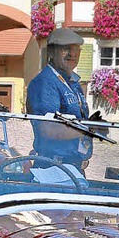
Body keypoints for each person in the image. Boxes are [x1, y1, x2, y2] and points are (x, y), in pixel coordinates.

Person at [26, 28, 92, 169]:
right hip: (53, 166)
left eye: (76, 49)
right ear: (51, 52)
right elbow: (48, 127)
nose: (72, 54)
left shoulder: (73, 83)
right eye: (66, 49)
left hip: (73, 167)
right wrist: (88, 129)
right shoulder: (45, 82)